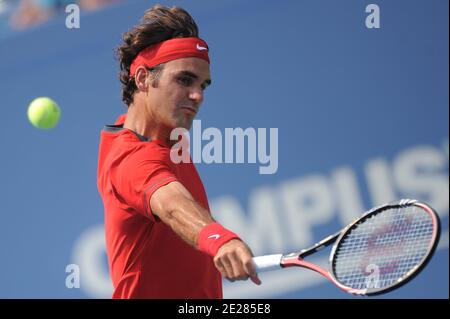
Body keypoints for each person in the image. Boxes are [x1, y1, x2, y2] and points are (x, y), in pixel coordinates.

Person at [97, 4, 261, 299]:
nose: (197, 95)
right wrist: (219, 240)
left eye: (203, 85)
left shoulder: (162, 135)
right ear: (144, 79)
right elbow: (172, 204)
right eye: (184, 80)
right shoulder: (130, 159)